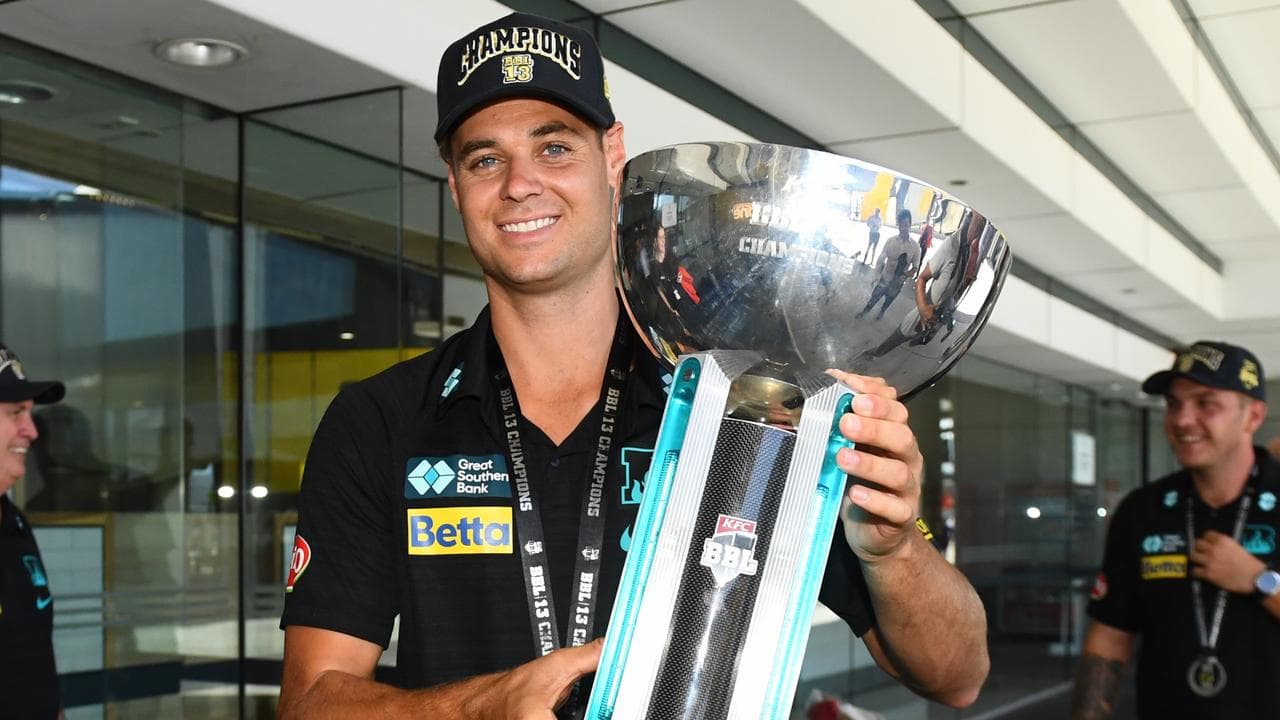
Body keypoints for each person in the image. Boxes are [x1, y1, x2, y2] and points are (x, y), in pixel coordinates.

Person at [278, 12, 989, 719]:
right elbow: (310, 701)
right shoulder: (382, 420)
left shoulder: (745, 404)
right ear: (454, 182)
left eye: (554, 148)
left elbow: (955, 677)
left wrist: (894, 549)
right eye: (485, 158)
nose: (521, 184)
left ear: (612, 153)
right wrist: (479, 708)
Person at [1071, 341, 1280, 719]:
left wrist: (1260, 581)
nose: (1182, 420)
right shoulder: (1142, 510)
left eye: (1205, 403)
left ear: (1253, 417)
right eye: (1174, 403)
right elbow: (1109, 638)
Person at [0, 343, 66, 719]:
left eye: (31, 412)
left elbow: (34, 664)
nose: (32, 431)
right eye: (15, 412)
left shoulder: (17, 524)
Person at [856, 208, 920, 321]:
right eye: (901, 225)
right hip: (884, 278)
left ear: (910, 225)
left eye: (906, 224)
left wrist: (905, 274)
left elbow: (915, 268)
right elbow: (881, 260)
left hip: (897, 283)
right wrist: (875, 276)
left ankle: (881, 313)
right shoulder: (890, 241)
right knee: (873, 299)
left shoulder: (915, 247)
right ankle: (864, 312)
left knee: (888, 301)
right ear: (898, 225)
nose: (903, 228)